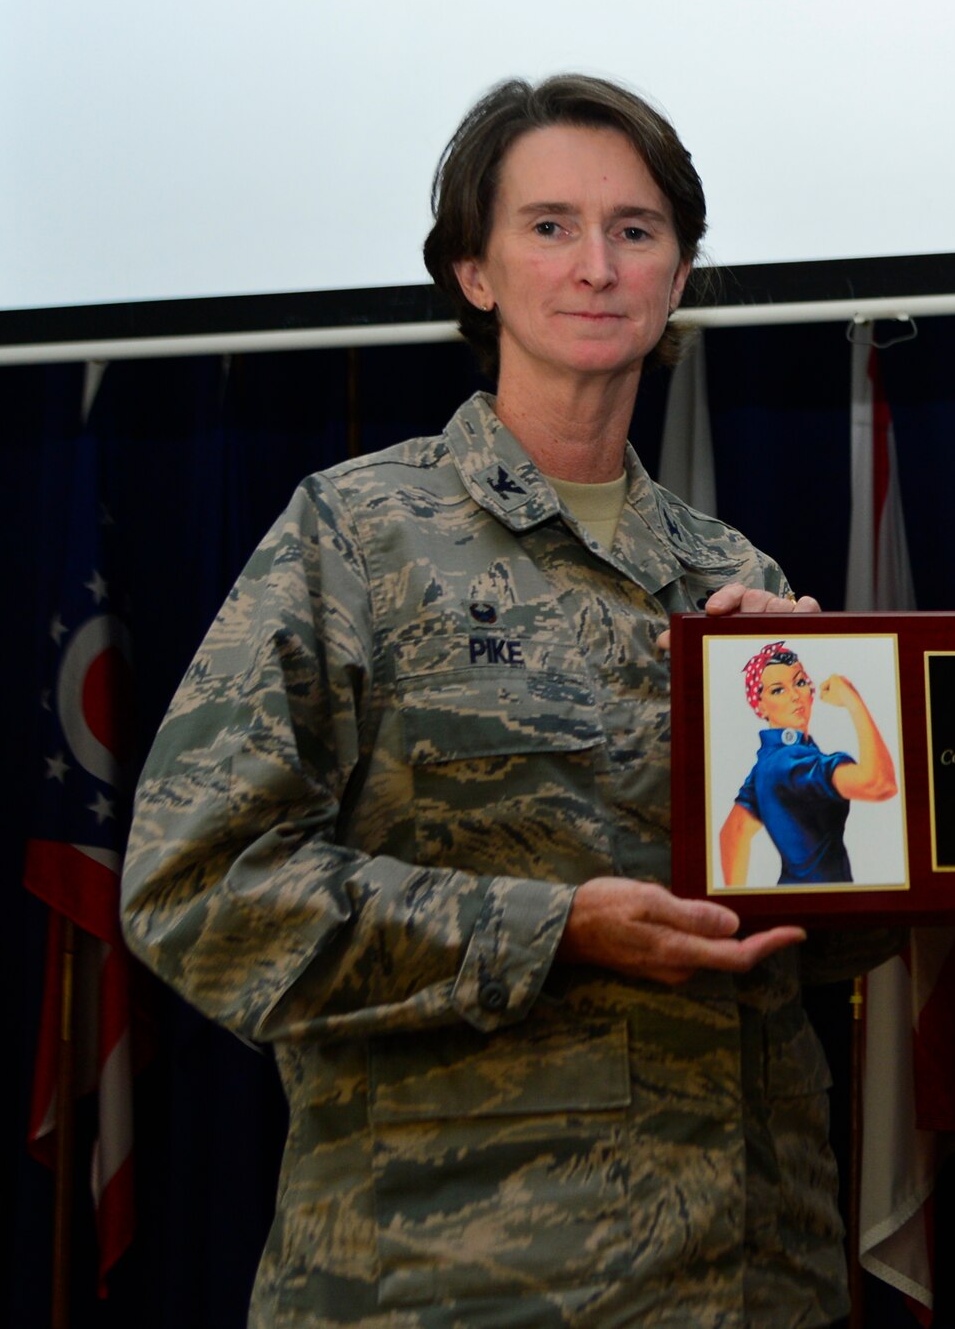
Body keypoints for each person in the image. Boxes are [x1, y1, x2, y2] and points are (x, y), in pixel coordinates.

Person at [121, 74, 892, 1328]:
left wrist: (859, 738)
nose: (595, 266)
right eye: (549, 227)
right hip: (452, 1280)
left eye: (634, 232)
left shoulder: (738, 582)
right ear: (474, 273)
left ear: (678, 276)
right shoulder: (357, 534)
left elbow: (824, 930)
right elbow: (197, 892)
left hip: (753, 1274)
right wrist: (551, 929)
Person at [719, 642, 898, 887]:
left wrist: (736, 907)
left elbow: (735, 831)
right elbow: (879, 784)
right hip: (825, 907)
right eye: (777, 690)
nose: (794, 695)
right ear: (759, 705)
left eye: (800, 682)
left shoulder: (770, 761)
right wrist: (852, 700)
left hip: (800, 899)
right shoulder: (790, 763)